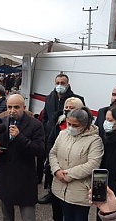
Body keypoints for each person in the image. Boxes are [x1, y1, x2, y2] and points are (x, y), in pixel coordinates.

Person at [0, 94, 45, 221]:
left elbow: (40, 150)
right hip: (5, 178)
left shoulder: (35, 125)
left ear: (24, 107)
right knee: (7, 216)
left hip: (24, 179)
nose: (12, 110)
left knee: (28, 217)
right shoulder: (3, 122)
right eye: (9, 107)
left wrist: (20, 136)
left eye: (16, 107)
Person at [49, 107, 104, 221]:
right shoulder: (63, 134)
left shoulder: (95, 140)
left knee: (79, 218)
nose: (71, 128)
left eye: (76, 125)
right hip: (60, 187)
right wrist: (56, 171)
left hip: (80, 190)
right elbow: (53, 153)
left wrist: (68, 175)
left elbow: (93, 164)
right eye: (69, 124)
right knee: (66, 217)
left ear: (85, 125)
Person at [39, 73, 85, 204]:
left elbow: (83, 118)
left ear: (68, 84)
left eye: (63, 83)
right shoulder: (49, 98)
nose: (60, 85)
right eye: (58, 83)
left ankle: (66, 192)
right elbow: (45, 116)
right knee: (50, 164)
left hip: (69, 136)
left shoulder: (76, 99)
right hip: (51, 135)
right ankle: (49, 190)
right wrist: (46, 129)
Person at [44, 97, 84, 221]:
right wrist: (55, 168)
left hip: (75, 176)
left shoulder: (88, 132)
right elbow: (51, 145)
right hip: (57, 170)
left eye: (72, 108)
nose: (68, 110)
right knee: (57, 206)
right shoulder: (58, 124)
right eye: (66, 107)